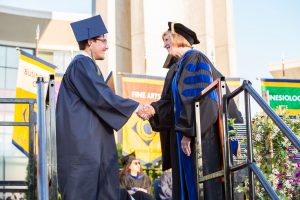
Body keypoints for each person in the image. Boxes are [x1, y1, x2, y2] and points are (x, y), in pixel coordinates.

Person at [138, 22, 243, 200]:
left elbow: (203, 100)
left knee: (201, 184)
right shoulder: (178, 67)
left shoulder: (196, 59)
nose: (164, 44)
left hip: (203, 137)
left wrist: (189, 132)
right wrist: (153, 110)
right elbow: (173, 104)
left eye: (167, 39)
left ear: (179, 39)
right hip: (188, 137)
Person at [56, 15, 141, 200]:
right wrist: (135, 107)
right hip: (85, 151)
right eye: (103, 40)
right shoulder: (81, 64)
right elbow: (101, 96)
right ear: (90, 42)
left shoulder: (87, 66)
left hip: (91, 147)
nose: (106, 45)